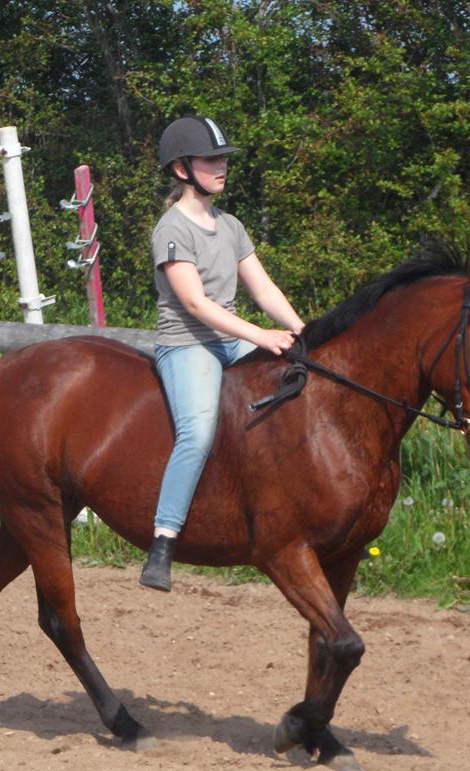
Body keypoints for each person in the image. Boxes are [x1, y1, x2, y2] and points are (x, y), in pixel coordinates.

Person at [139, 115, 306, 592]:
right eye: (211, 160)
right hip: (188, 343)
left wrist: (301, 330)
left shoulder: (230, 225)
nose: (222, 167)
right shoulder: (172, 230)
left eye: (223, 159)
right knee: (197, 432)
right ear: (181, 169)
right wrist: (261, 336)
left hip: (230, 338)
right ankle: (164, 539)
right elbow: (196, 304)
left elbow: (263, 288)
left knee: (298, 385)